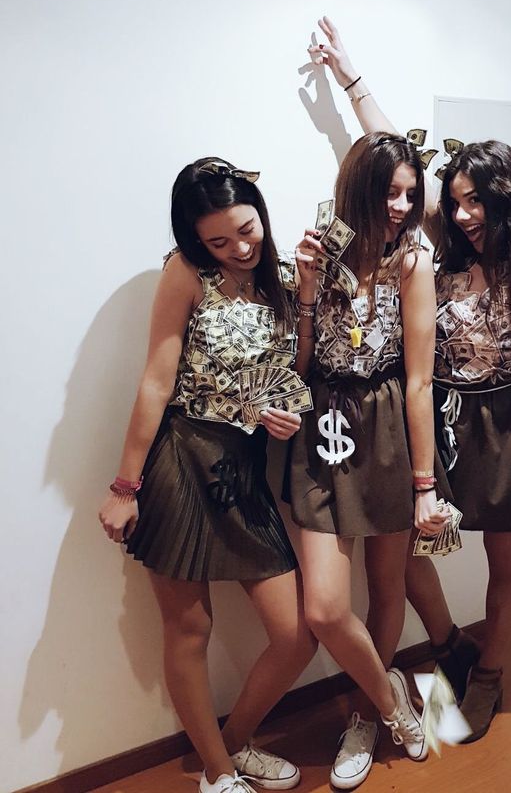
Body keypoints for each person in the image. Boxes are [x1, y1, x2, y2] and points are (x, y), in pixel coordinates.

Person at [309, 17, 511, 743]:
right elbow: (395, 156)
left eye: (477, 201)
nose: (461, 212)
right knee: (414, 547)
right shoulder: (442, 245)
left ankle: (487, 674)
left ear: (508, 200)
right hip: (446, 423)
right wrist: (349, 79)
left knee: (505, 556)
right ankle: (450, 643)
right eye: (453, 200)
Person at [98, 157, 318, 793]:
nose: (239, 248)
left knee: (295, 632)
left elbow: (290, 368)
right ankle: (218, 777)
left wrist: (281, 407)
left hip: (242, 469)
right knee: (191, 628)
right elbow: (156, 379)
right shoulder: (185, 271)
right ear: (195, 239)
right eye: (218, 240)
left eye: (247, 230)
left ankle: (233, 744)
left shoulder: (278, 271)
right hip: (181, 460)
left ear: (261, 212)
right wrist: (123, 487)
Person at [287, 132, 449, 789]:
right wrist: (302, 292)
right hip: (325, 426)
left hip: (387, 431)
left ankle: (361, 718)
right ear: (359, 188)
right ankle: (393, 703)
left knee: (388, 588)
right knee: (325, 607)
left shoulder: (413, 263)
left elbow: (418, 382)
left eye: (412, 194)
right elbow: (294, 370)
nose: (403, 206)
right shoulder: (317, 248)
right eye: (392, 191)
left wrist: (423, 486)